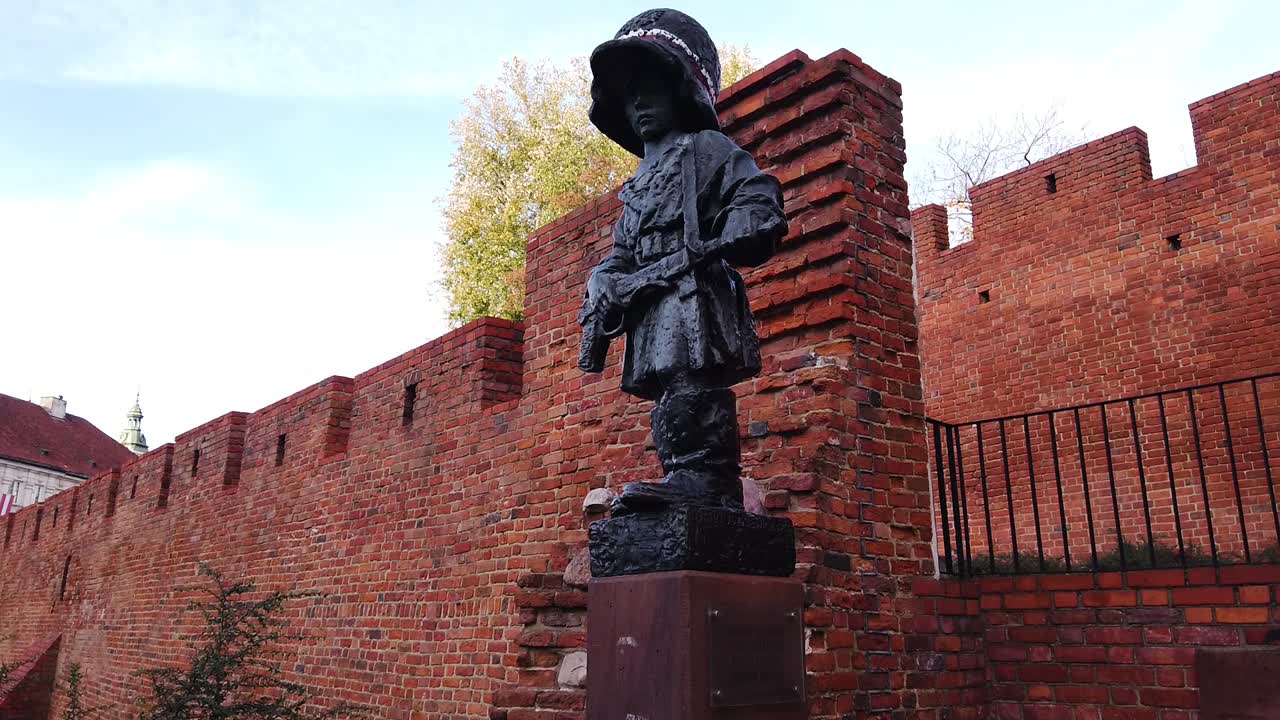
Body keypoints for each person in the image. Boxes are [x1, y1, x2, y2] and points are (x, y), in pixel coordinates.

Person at [578, 9, 787, 515]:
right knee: (667, 391)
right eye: (630, 97)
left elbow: (756, 196)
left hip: (692, 291)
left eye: (651, 90)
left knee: (690, 381)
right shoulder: (637, 187)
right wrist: (603, 278)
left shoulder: (707, 149)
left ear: (681, 94)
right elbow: (622, 252)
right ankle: (681, 475)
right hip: (651, 298)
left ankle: (708, 482)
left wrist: (744, 219)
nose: (640, 104)